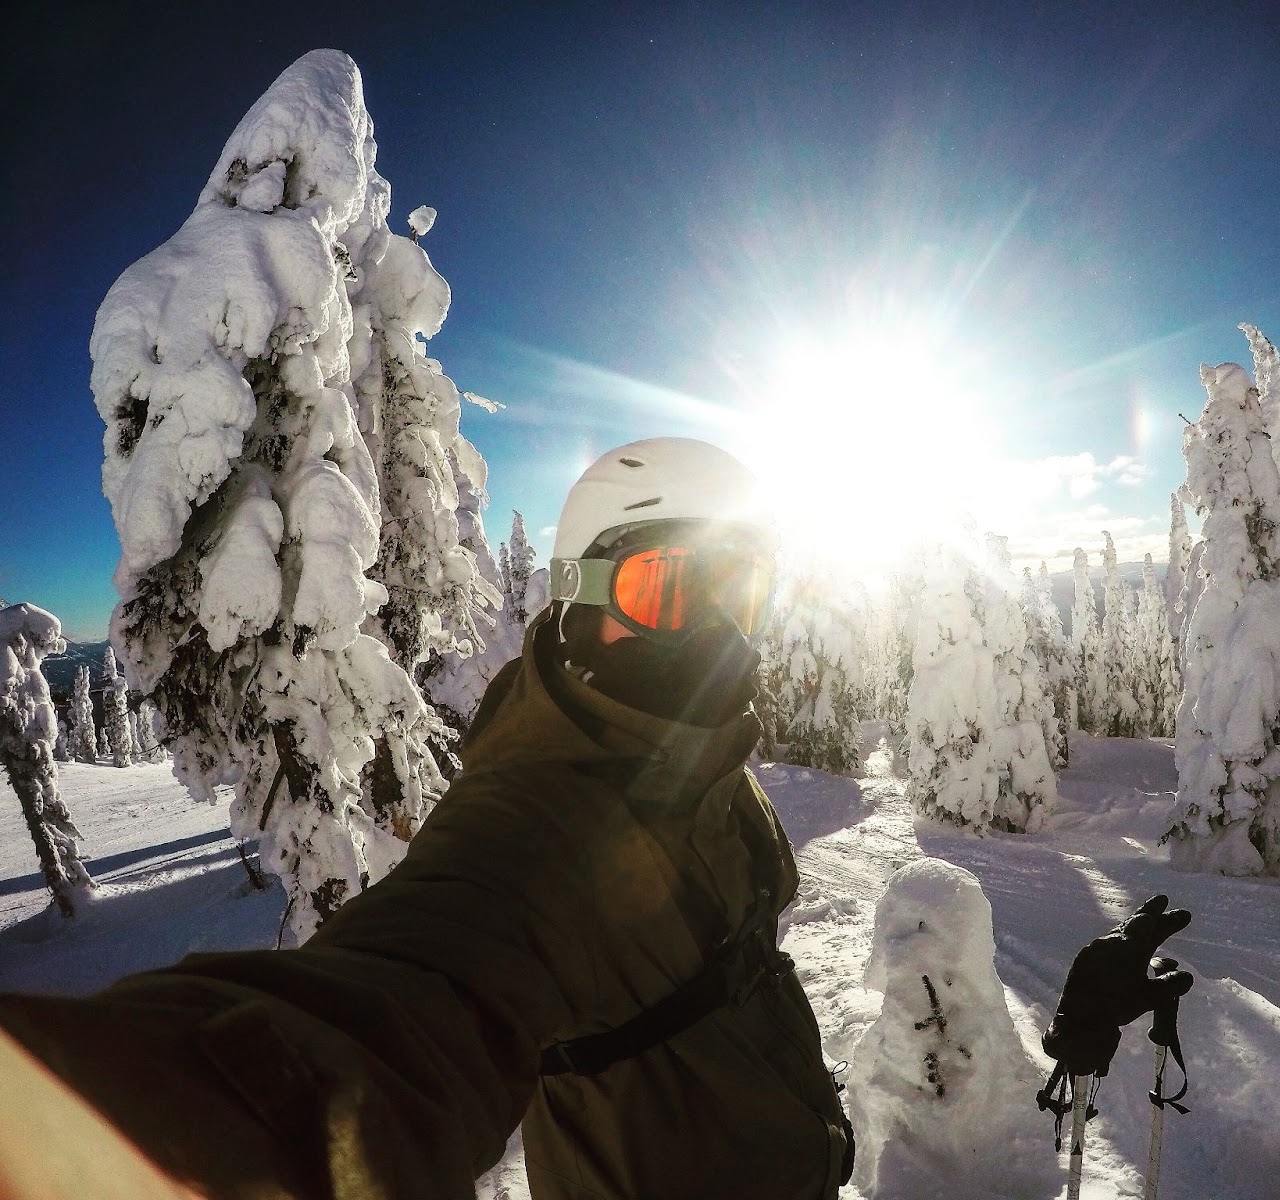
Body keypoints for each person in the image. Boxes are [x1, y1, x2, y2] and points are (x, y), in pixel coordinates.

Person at [0, 437, 853, 1200]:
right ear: (581, 596)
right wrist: (97, 1130)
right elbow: (401, 997)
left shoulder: (688, 749)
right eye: (665, 589)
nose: (712, 631)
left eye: (739, 594)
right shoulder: (539, 819)